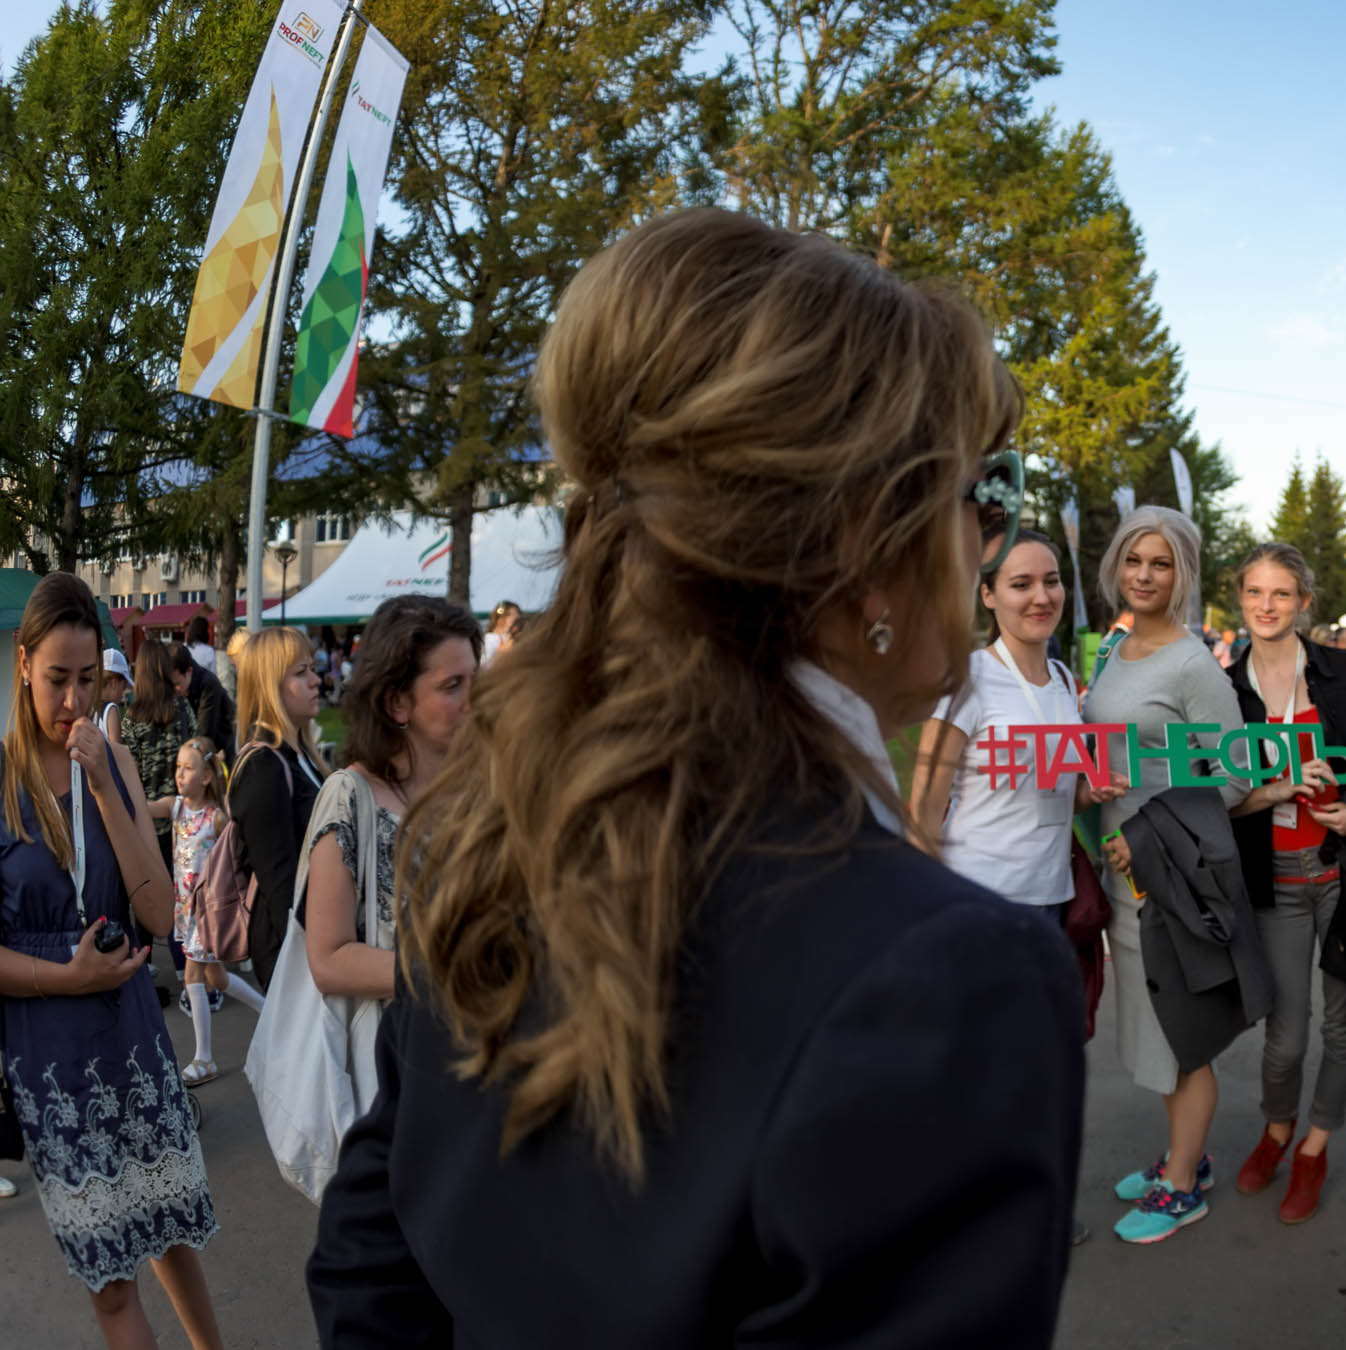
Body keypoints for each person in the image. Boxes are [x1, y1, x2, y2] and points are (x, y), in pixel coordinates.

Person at [308, 207, 1083, 1345]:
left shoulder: (486, 826)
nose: (986, 542)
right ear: (873, 542)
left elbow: (371, 1260)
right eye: (982, 495)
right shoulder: (953, 986)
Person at [0, 573, 224, 1348]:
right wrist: (66, 976)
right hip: (53, 1056)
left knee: (170, 1229)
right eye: (56, 679)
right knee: (113, 1281)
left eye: (86, 681)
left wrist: (103, 785)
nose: (71, 702)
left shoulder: (115, 765)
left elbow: (161, 916)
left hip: (129, 1031)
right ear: (23, 664)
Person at [1084, 505, 1252, 1244]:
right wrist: (1097, 788)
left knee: (1178, 1034)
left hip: (1169, 882)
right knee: (1150, 1028)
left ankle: (1182, 1185)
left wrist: (1149, 837)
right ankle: (1185, 1158)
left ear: (1181, 573)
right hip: (1120, 877)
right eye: (1133, 560)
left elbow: (1239, 777)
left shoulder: (1192, 665)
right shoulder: (1114, 653)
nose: (1144, 575)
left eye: (1161, 563)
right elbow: (1113, 754)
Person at [1223, 543, 1346, 1224]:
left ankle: (1315, 1146)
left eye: (1281, 594)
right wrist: (1274, 791)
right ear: (1239, 599)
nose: (1266, 606)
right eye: (1254, 593)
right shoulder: (1223, 688)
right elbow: (1216, 798)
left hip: (1341, 873)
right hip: (1270, 879)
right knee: (1287, 1036)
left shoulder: (1344, 669)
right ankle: (1276, 1131)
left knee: (1342, 1025)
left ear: (1304, 602)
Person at [909, 529, 1123, 900]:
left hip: (1053, 897)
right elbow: (924, 808)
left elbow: (1053, 796)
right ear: (988, 595)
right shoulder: (967, 678)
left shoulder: (1063, 682)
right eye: (1022, 584)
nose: (1042, 598)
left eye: (1052, 582)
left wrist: (1091, 793)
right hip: (978, 896)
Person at [299, 595, 482, 1015]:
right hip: (389, 1058)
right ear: (396, 702)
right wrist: (454, 978)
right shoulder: (349, 795)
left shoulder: (483, 789)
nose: (475, 700)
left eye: (476, 679)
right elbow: (328, 959)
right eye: (453, 686)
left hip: (484, 1051)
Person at [151, 738, 257, 1085]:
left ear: (208, 776)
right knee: (218, 978)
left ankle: (204, 1058)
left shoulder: (217, 819)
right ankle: (270, 1010)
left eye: (189, 768)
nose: (180, 774)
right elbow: (140, 807)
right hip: (185, 910)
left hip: (207, 913)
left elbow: (239, 856)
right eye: (178, 767)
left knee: (193, 975)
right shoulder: (175, 807)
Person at [227, 626, 328, 988]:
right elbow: (280, 882)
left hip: (315, 939)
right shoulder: (264, 767)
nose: (316, 680)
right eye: (301, 673)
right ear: (271, 685)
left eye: (312, 669)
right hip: (292, 952)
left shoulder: (300, 756)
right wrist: (310, 965)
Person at [121, 639, 197, 867]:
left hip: (146, 824)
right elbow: (197, 753)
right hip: (183, 820)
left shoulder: (132, 718)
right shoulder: (183, 708)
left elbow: (128, 775)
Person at [170, 642, 236, 756]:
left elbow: (205, 734)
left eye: (177, 684)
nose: (175, 690)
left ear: (189, 671)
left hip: (221, 749)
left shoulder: (208, 685)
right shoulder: (188, 682)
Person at [98, 646, 130, 743]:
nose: (123, 694)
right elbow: (116, 752)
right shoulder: (111, 710)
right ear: (114, 683)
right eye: (123, 687)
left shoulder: (89, 706)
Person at [481, 601, 521, 668]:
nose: (518, 625)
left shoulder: (508, 638)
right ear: (500, 621)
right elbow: (483, 668)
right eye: (515, 621)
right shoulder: (490, 639)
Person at [184, 615, 216, 681]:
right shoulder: (209, 651)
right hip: (203, 687)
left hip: (184, 687)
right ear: (205, 632)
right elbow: (214, 675)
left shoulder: (183, 647)